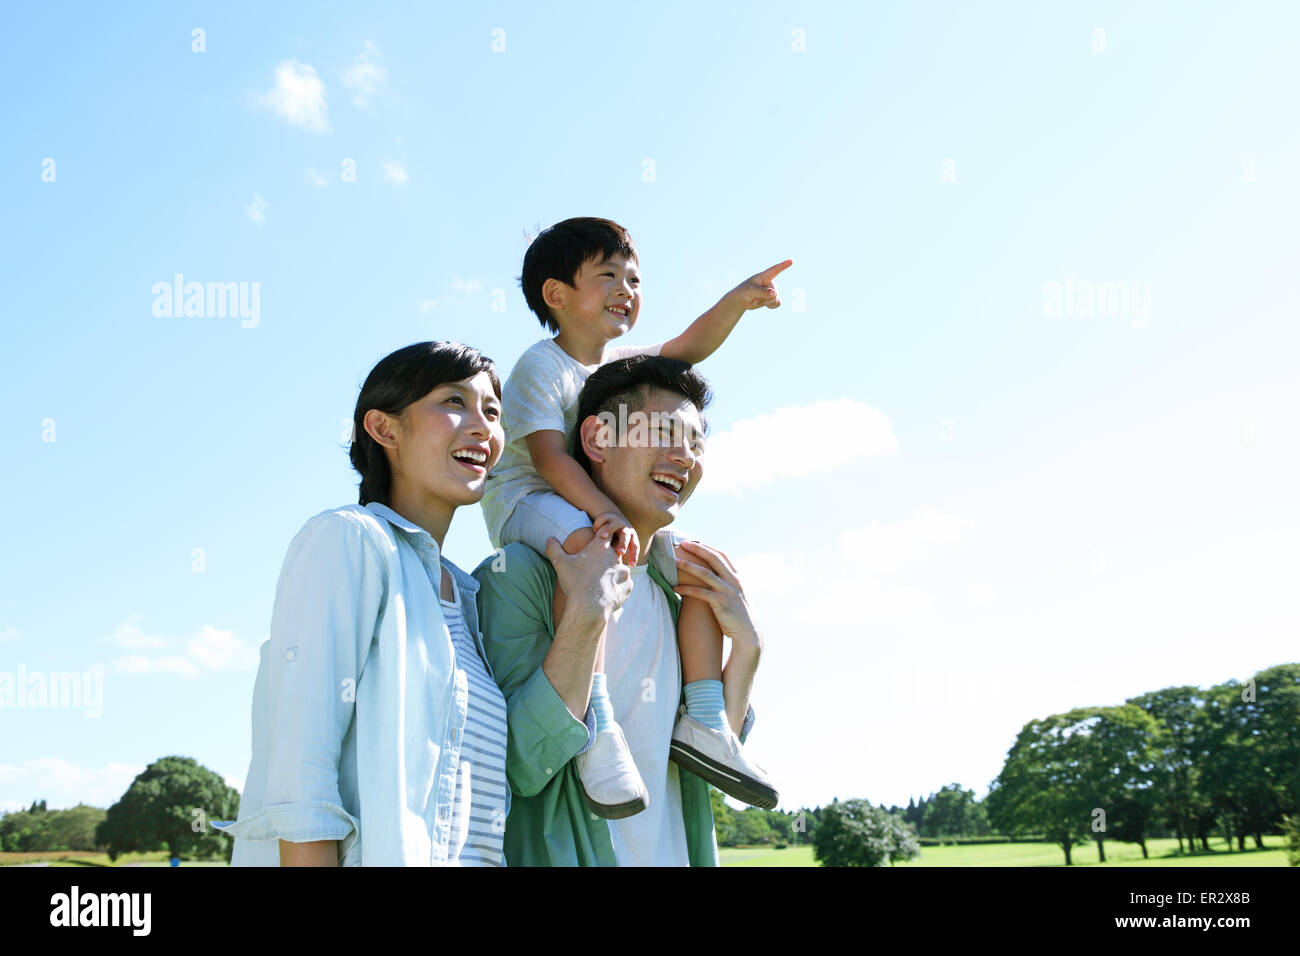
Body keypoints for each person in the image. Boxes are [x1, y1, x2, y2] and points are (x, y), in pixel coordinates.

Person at [479, 216, 787, 815]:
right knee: (589, 553)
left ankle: (706, 721)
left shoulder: (613, 366)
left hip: (581, 503)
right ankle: (593, 721)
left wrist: (736, 301)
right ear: (556, 294)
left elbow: (685, 348)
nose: (627, 288)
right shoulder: (541, 367)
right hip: (529, 501)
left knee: (698, 566)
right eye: (609, 275)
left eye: (635, 279)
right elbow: (546, 458)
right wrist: (603, 514)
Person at [211, 341, 511, 865]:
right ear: (384, 428)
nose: (482, 426)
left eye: (492, 410)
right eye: (454, 402)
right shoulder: (349, 541)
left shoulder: (467, 594)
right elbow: (302, 767)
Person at [473, 355, 773, 866]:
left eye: (696, 444)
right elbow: (516, 766)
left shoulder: (681, 592)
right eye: (663, 432)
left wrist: (746, 647)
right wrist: (586, 617)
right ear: (596, 440)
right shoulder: (517, 577)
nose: (685, 457)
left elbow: (711, 756)